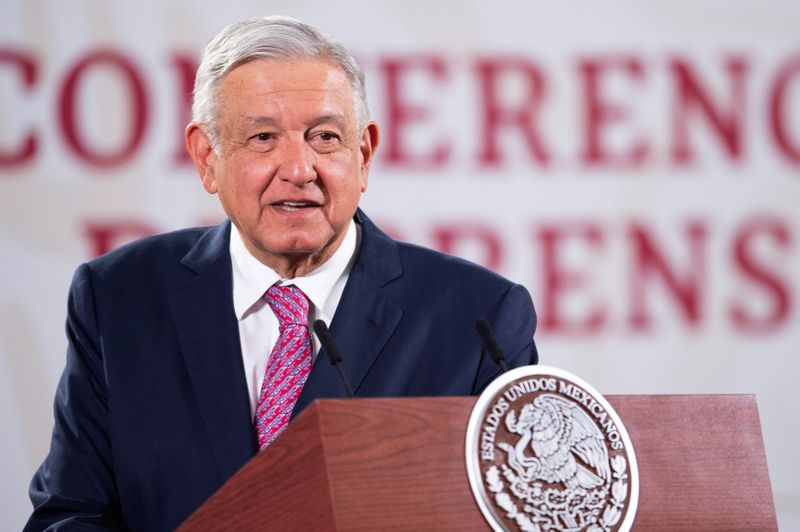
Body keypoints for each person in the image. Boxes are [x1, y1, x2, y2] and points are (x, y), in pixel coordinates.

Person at [26, 15, 538, 530]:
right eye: (264, 137)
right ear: (208, 158)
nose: (299, 168)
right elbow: (70, 515)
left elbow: (519, 513)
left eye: (324, 137)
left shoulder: (478, 320)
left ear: (363, 155)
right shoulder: (119, 299)